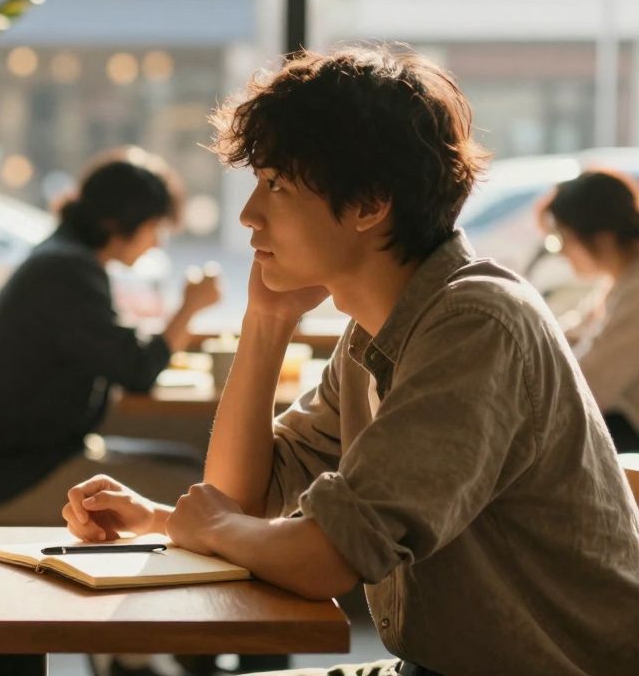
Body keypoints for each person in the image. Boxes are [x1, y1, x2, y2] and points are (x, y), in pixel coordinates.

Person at [61, 47, 639, 675]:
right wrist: (268, 320)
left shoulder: (475, 324)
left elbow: (326, 557)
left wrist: (203, 526)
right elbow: (243, 497)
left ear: (370, 204)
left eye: (276, 184)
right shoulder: (378, 335)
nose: (249, 213)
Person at [0, 146, 222, 526]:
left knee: (189, 464)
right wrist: (190, 307)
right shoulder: (66, 272)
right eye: (154, 227)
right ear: (119, 223)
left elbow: (122, 356)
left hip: (24, 464)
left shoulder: (63, 260)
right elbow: (137, 369)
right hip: (19, 479)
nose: (157, 242)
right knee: (198, 493)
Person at [538, 169, 639, 452]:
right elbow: (568, 334)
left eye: (560, 238)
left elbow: (588, 384)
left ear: (602, 237)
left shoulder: (635, 291)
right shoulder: (619, 279)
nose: (559, 252)